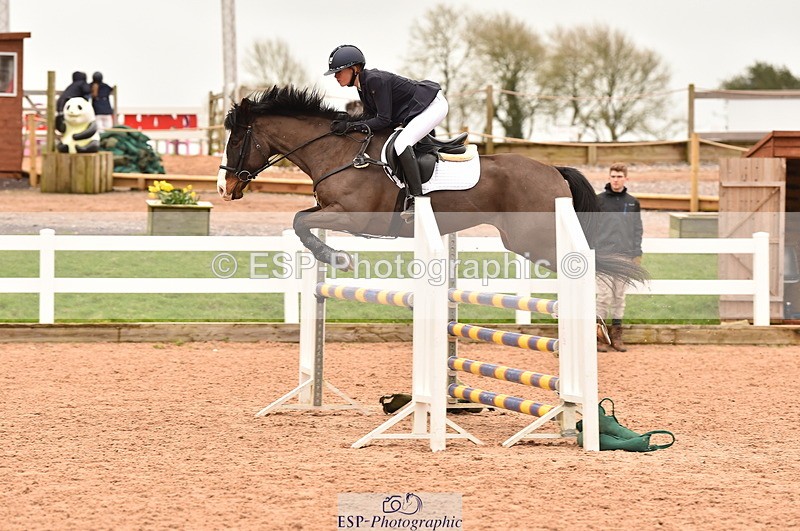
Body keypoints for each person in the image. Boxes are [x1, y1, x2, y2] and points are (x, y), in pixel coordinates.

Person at [324, 44, 448, 221]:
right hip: (417, 111)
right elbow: (369, 117)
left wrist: (350, 126)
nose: (336, 76)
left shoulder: (375, 80)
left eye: (339, 71)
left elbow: (383, 120)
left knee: (402, 143)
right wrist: (347, 121)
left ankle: (418, 200)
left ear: (355, 69)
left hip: (432, 106)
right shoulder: (363, 86)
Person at [595, 162, 643, 352]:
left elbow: (637, 229)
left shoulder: (632, 202)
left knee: (619, 297)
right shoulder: (598, 201)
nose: (616, 180)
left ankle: (617, 336)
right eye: (613, 176)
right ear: (609, 178)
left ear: (626, 178)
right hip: (604, 256)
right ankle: (599, 337)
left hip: (624, 257)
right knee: (603, 297)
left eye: (619, 176)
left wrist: (636, 252)